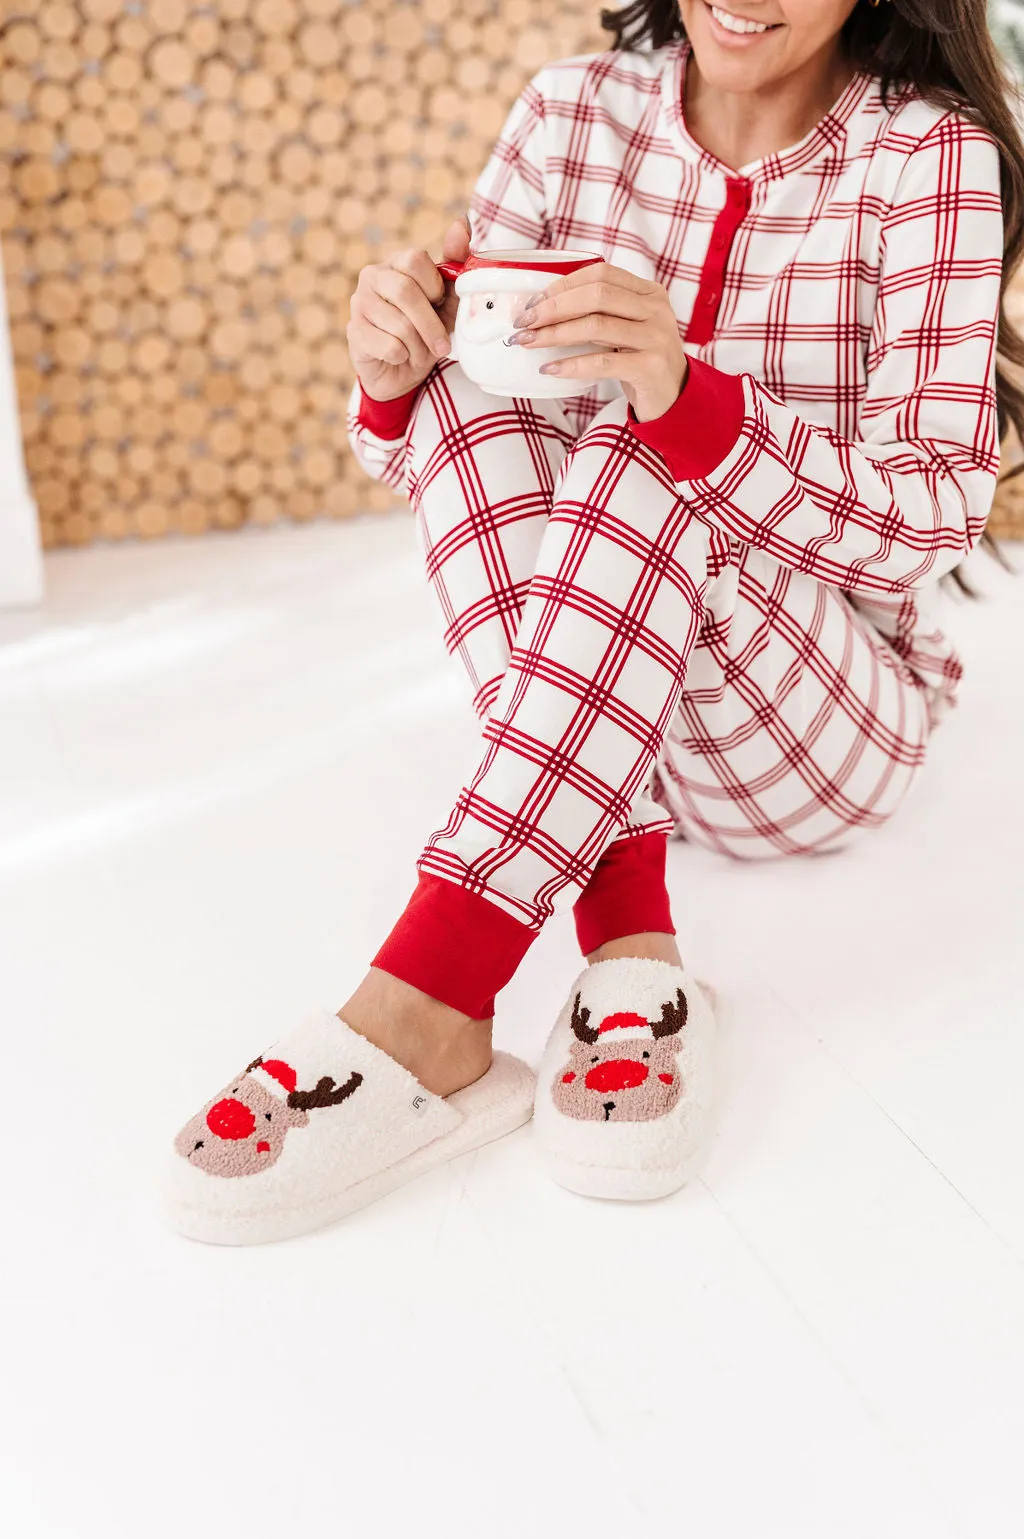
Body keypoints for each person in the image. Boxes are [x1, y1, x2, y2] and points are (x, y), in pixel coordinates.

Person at [161, 1, 1024, 1243]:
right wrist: (392, 378)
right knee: (466, 395)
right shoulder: (573, 112)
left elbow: (936, 515)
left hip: (820, 725)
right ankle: (631, 942)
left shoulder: (925, 159)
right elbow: (460, 472)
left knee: (649, 440)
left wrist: (692, 403)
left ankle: (434, 989)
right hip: (594, 701)